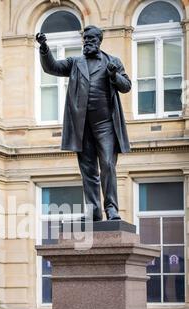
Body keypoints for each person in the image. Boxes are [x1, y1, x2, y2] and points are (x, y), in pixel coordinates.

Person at [36, 26, 131, 221]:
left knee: (107, 165)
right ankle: (93, 212)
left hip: (106, 124)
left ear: (99, 40)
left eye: (91, 38)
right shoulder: (75, 62)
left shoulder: (112, 62)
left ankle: (111, 208)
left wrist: (114, 76)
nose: (87, 41)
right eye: (85, 38)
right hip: (81, 125)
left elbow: (127, 86)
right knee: (88, 169)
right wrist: (44, 48)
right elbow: (52, 67)